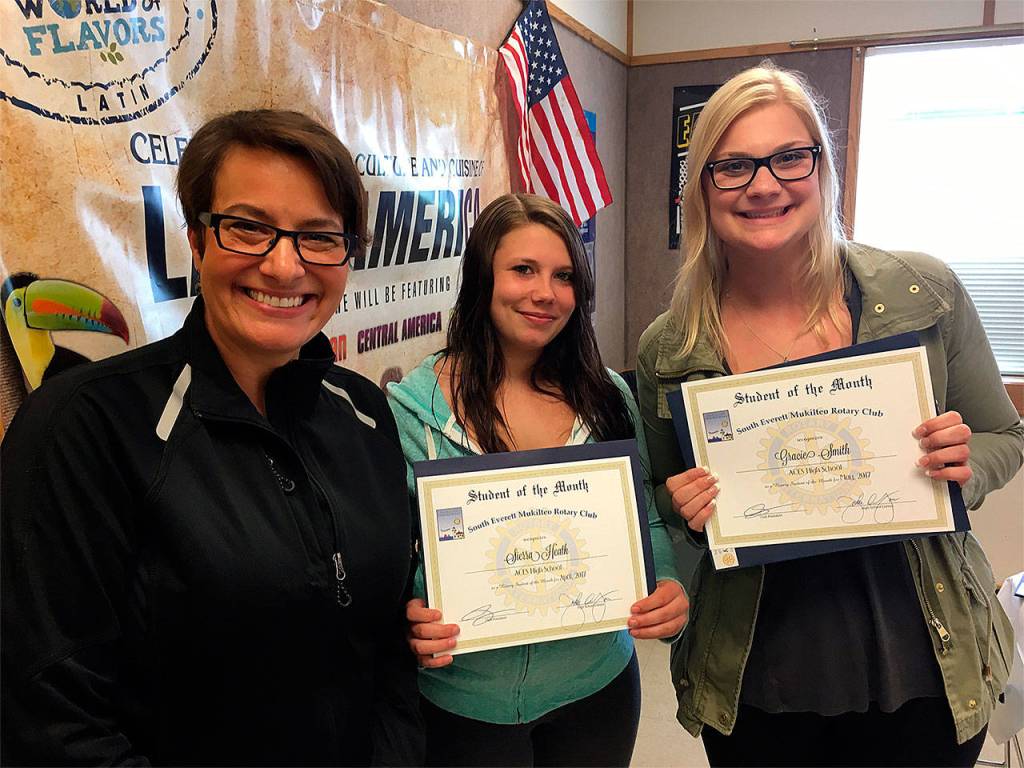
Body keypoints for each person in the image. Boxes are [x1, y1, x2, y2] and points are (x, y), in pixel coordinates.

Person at [1, 110, 423, 766]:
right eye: (249, 228)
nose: (285, 267)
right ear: (197, 241)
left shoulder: (365, 413)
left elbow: (388, 651)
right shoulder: (83, 427)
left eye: (319, 237)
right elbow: (52, 721)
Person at [637, 63, 1023, 767]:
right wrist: (681, 505)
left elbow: (1005, 436)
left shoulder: (922, 290)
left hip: (922, 663)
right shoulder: (670, 347)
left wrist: (962, 469)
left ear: (822, 169)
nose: (764, 183)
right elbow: (665, 507)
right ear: (701, 188)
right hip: (757, 675)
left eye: (789, 157)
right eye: (734, 166)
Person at [387, 193, 688, 767]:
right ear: (482, 277)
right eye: (522, 269)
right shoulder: (408, 411)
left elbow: (643, 517)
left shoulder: (607, 398)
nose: (545, 293)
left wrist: (668, 584)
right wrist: (409, 612)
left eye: (564, 275)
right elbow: (393, 554)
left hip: (597, 689)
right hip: (462, 707)